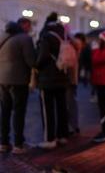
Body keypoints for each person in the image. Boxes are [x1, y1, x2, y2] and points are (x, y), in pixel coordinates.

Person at [0, 21, 35, 154]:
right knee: (18, 112)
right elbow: (31, 61)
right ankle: (18, 145)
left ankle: (3, 143)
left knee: (5, 111)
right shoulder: (25, 39)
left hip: (2, 80)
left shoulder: (2, 37)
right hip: (18, 80)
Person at [36, 13, 69, 149]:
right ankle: (62, 136)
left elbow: (43, 55)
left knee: (47, 109)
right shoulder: (63, 35)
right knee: (62, 107)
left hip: (48, 77)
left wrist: (36, 64)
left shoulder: (46, 36)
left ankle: (49, 139)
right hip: (62, 75)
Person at [67, 34, 82, 135]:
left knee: (69, 103)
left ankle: (72, 126)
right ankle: (73, 125)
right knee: (71, 102)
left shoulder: (71, 47)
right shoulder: (74, 47)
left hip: (69, 79)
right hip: (72, 79)